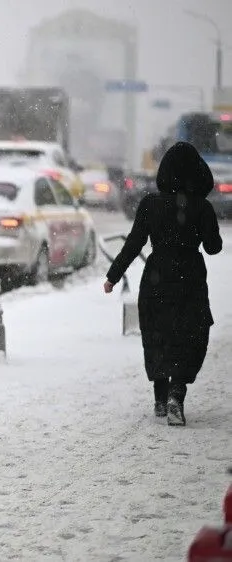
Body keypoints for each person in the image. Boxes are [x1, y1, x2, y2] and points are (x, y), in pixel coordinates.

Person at [104, 142, 222, 426]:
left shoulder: (150, 204)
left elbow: (134, 244)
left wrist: (113, 275)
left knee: (157, 335)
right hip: (190, 279)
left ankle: (159, 398)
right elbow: (213, 247)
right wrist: (203, 222)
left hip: (156, 277)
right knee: (189, 336)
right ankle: (176, 394)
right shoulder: (202, 207)